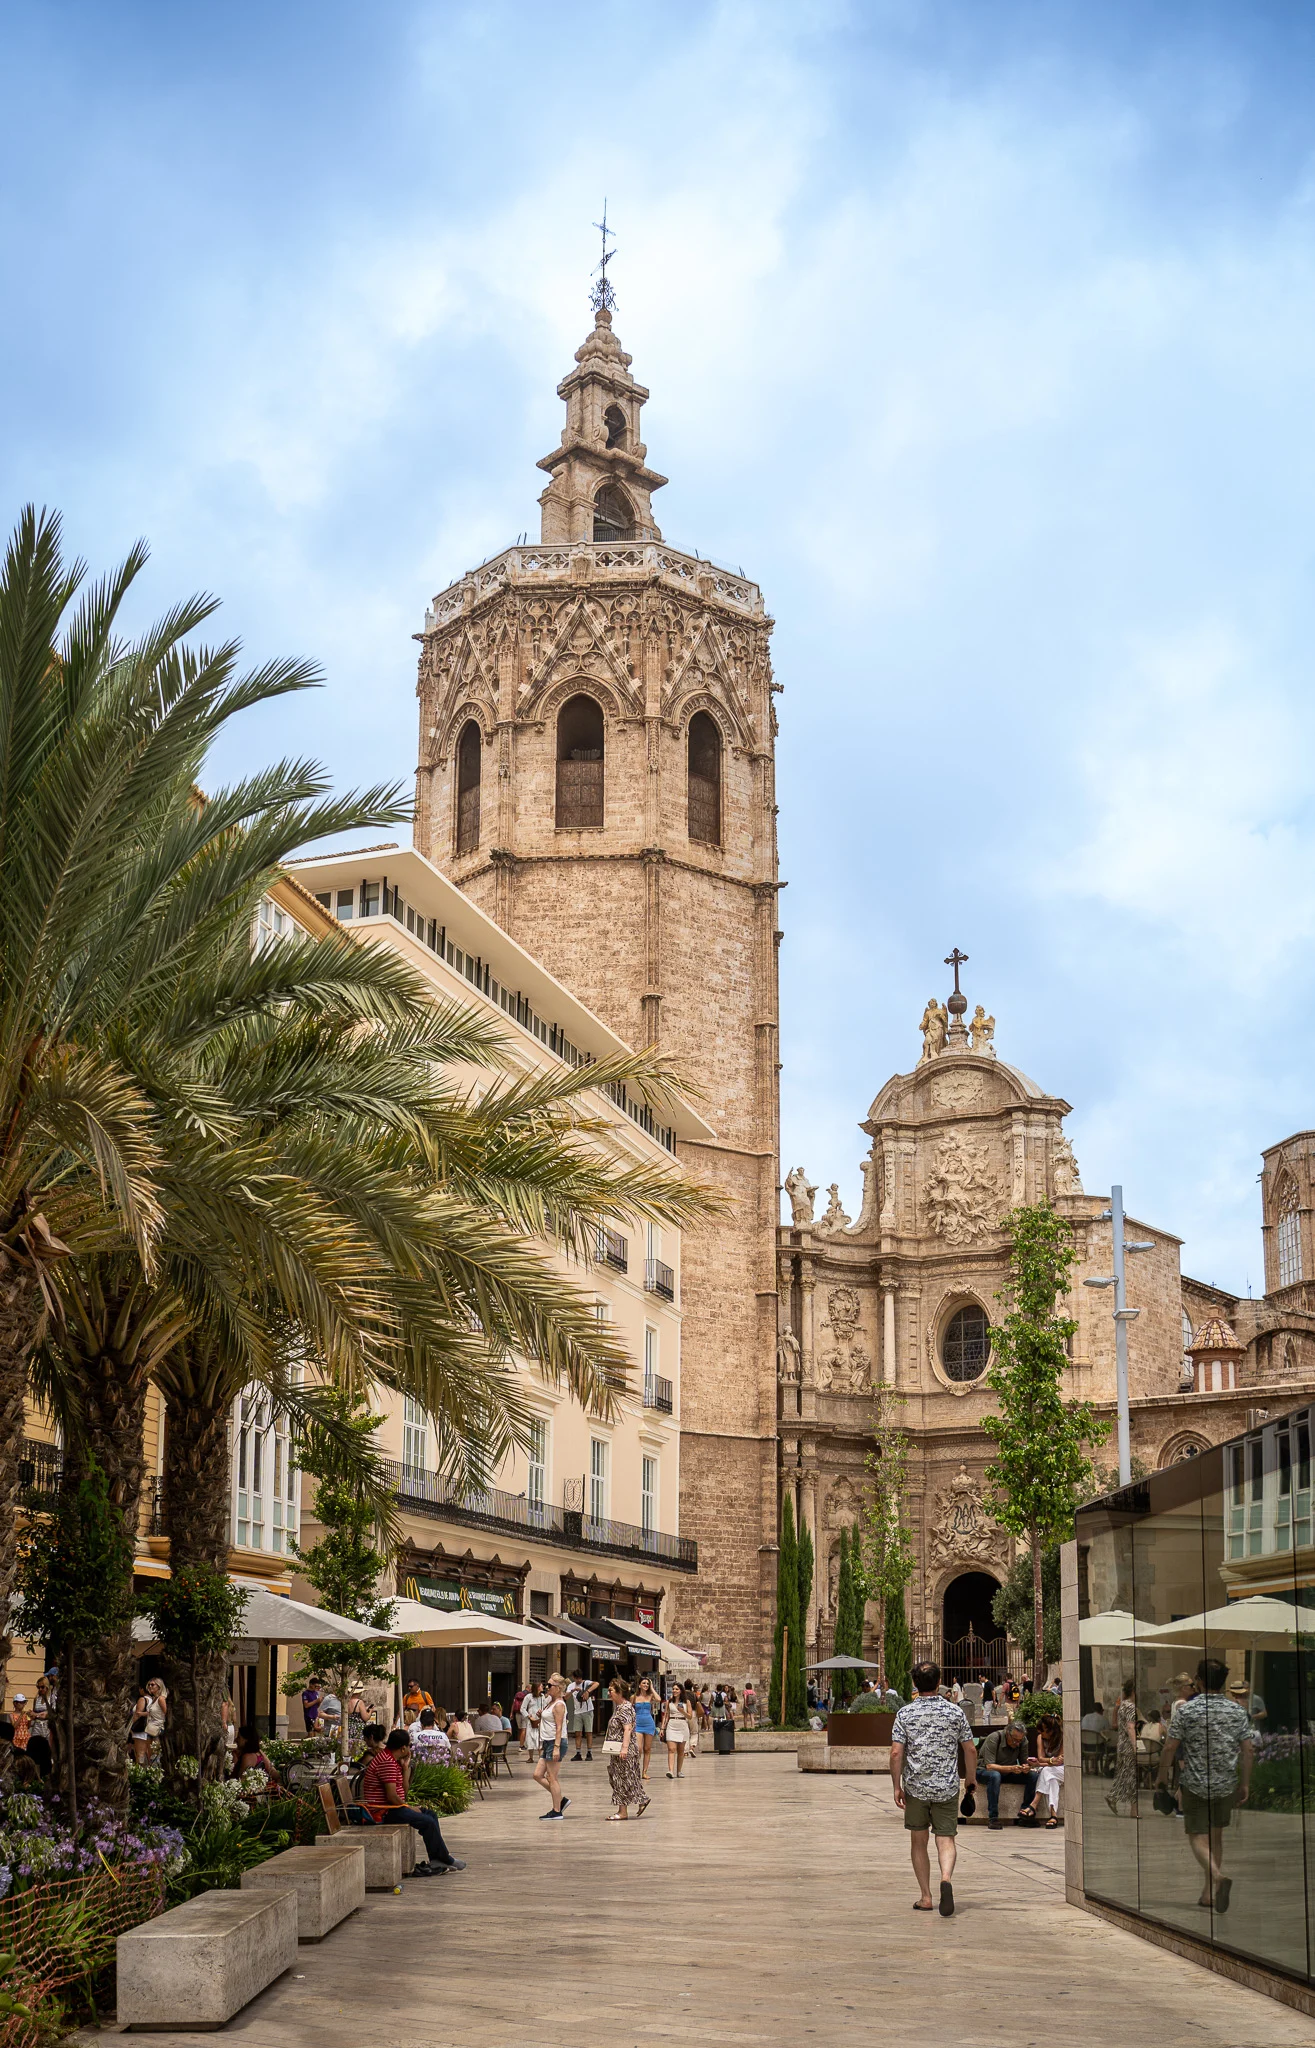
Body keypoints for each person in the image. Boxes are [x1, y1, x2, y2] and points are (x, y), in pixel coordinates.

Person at [1155, 1657, 1253, 1914]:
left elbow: (1170, 1746)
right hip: (1226, 1783)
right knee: (1216, 1836)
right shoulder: (1237, 1711)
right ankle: (1209, 1894)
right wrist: (1245, 1784)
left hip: (1195, 1783)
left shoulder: (1187, 1710)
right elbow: (1248, 1750)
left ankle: (1218, 1878)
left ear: (1199, 1681)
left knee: (1197, 1837)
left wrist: (1162, 1776)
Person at [889, 1660, 977, 1918]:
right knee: (946, 1838)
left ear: (915, 1684)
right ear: (939, 1683)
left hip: (916, 1787)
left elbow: (896, 1753)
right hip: (947, 1787)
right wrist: (970, 1778)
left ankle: (926, 1897)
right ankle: (946, 1879)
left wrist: (896, 1786)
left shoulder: (904, 1714)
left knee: (919, 1840)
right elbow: (970, 1749)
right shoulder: (955, 1712)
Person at [361, 1728, 465, 1874]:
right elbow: (392, 1797)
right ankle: (443, 1858)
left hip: (392, 1807)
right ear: (403, 1748)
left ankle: (437, 1859)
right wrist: (408, 1807)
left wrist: (405, 1769)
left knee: (431, 1815)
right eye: (409, 1746)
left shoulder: (392, 1760)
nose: (410, 1748)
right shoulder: (387, 1762)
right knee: (427, 1822)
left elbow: (403, 1792)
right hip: (383, 1811)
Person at [978, 1721, 1038, 1830]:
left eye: (1020, 1740)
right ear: (1007, 1733)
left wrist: (1026, 1768)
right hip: (985, 1771)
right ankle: (993, 1817)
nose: (1017, 1743)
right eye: (1015, 1740)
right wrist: (1011, 1768)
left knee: (1032, 1776)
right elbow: (989, 1766)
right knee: (995, 1776)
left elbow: (1024, 1761)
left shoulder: (1023, 1741)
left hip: (1008, 1771)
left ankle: (1025, 1813)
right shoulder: (994, 1738)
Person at [603, 1677, 648, 1821]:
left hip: (624, 1751)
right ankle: (641, 1799)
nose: (608, 1693)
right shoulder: (620, 1707)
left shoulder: (625, 1708)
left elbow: (627, 1728)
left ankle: (623, 1811)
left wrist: (624, 1748)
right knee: (627, 1778)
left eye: (611, 1690)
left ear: (619, 1692)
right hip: (619, 1750)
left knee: (621, 1779)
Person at [533, 1673, 571, 1820]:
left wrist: (556, 1747)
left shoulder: (560, 1705)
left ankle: (557, 1811)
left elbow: (559, 1727)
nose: (547, 1688)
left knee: (552, 1777)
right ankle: (560, 1800)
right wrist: (542, 1714)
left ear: (558, 1688)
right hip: (547, 1742)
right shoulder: (550, 1702)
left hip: (556, 1742)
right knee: (537, 1775)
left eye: (550, 1685)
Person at [1107, 1677, 1139, 1819]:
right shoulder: (1131, 1706)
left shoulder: (1123, 1705)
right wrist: (1135, 1746)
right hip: (1127, 1745)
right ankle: (1133, 1809)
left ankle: (1113, 1796)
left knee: (1124, 1774)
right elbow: (1130, 1727)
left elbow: (1117, 1724)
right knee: (1131, 1776)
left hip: (1121, 1744)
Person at [1034, 1713, 1064, 1826]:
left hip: (1064, 1770)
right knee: (1052, 1780)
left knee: (1046, 1771)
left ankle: (1034, 1803)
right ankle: (1053, 1814)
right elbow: (1040, 1757)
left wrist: (1047, 1762)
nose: (1040, 1734)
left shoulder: (1063, 1737)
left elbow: (1061, 1760)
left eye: (1042, 1731)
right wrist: (1051, 1761)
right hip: (1051, 1770)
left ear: (1050, 1731)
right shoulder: (1040, 1738)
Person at [129, 1678, 167, 1765]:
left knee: (151, 1755)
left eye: (153, 1685)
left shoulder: (160, 1699)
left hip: (155, 1728)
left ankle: (152, 1774)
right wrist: (142, 1714)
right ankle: (149, 1773)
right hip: (149, 1728)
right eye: (149, 1684)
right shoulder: (153, 1699)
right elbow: (151, 1713)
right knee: (149, 1754)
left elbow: (164, 1713)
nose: (150, 1686)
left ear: (159, 1687)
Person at [234, 1725, 281, 1793]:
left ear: (246, 1740)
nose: (236, 1740)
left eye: (239, 1738)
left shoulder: (247, 1757)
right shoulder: (259, 1753)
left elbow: (241, 1782)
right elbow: (272, 1771)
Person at [661, 1685, 692, 1777]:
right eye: (673, 1689)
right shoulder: (669, 1701)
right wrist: (662, 1728)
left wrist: (683, 1712)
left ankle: (679, 1771)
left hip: (682, 1724)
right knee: (671, 1749)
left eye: (677, 1689)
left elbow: (690, 1716)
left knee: (681, 1750)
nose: (674, 1691)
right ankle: (670, 1770)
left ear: (681, 1691)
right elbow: (666, 1715)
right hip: (672, 1724)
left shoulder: (687, 1702)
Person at [633, 1676, 659, 1780]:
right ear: (639, 1685)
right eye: (644, 1683)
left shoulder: (650, 1696)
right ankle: (635, 1770)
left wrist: (652, 1687)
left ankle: (644, 1772)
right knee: (638, 1748)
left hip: (649, 1723)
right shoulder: (634, 1697)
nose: (646, 1685)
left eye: (647, 1684)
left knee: (647, 1749)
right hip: (638, 1724)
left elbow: (659, 1699)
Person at [568, 1675, 598, 1762]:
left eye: (580, 1678)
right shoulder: (571, 1685)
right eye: (576, 1678)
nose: (578, 1680)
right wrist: (572, 1691)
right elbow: (566, 1697)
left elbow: (596, 1683)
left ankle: (589, 1752)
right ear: (574, 1678)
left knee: (589, 1732)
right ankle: (578, 1753)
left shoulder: (586, 1683)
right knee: (578, 1733)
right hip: (577, 1712)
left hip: (588, 1711)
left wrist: (587, 1691)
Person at [519, 1679, 545, 1754]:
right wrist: (528, 1716)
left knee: (540, 1737)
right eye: (541, 1686)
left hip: (540, 1719)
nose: (542, 1687)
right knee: (530, 1737)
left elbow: (545, 1706)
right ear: (537, 1687)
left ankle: (540, 1755)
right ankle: (531, 1756)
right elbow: (522, 1708)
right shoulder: (528, 1697)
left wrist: (542, 1713)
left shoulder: (542, 1697)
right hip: (531, 1720)